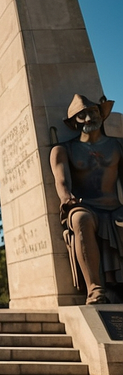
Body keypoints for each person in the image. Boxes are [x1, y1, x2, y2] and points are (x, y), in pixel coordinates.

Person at [49, 94, 123, 304]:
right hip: (84, 206)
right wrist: (66, 198)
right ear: (74, 123)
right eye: (82, 115)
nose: (89, 118)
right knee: (80, 219)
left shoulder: (118, 146)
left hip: (114, 206)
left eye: (92, 112)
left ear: (101, 114)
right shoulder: (63, 150)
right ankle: (95, 289)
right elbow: (61, 181)